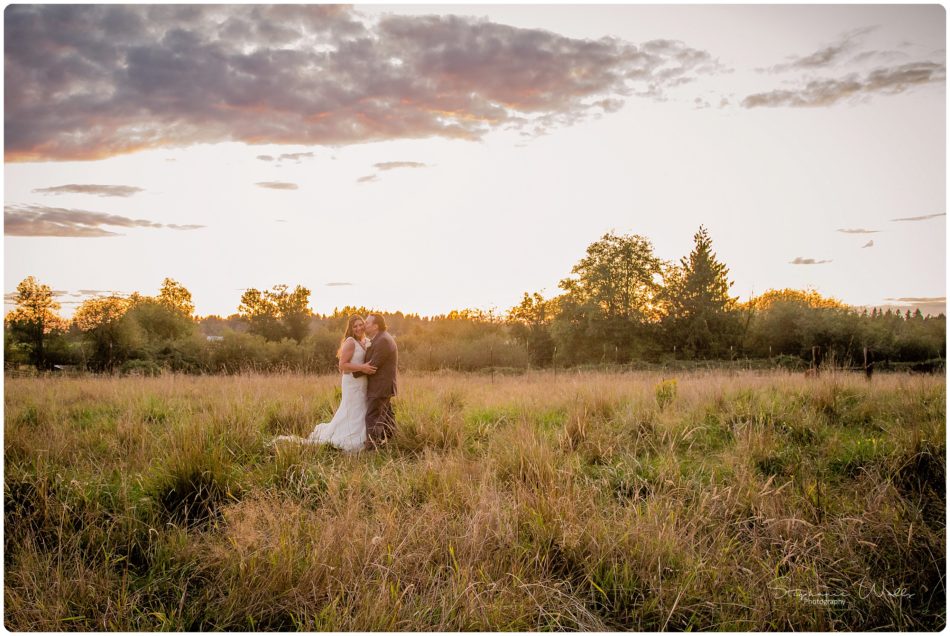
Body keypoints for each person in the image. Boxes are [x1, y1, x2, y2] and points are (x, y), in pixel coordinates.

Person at [270, 314, 377, 452]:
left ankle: (361, 435)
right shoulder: (350, 342)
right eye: (354, 326)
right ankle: (350, 438)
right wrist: (362, 368)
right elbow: (342, 365)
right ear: (351, 329)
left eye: (360, 324)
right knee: (352, 408)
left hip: (363, 382)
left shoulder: (366, 341)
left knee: (361, 408)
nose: (358, 328)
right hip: (351, 382)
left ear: (364, 324)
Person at [353, 313, 398, 449]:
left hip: (380, 387)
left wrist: (353, 371)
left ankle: (372, 449)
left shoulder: (383, 340)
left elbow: (373, 365)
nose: (364, 325)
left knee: (372, 417)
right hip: (382, 386)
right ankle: (392, 442)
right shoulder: (380, 338)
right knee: (386, 416)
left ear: (376, 326)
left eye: (367, 323)